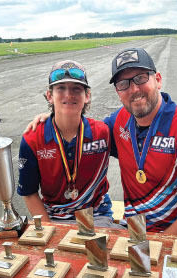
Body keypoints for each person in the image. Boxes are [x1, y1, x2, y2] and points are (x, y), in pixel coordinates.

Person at [25, 48, 177, 237]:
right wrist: (54, 116)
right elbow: (79, 130)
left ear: (158, 80)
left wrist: (159, 244)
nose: (134, 89)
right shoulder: (117, 123)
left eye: (140, 78)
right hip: (137, 230)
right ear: (118, 91)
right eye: (124, 84)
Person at [17, 60, 113, 226]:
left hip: (97, 216)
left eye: (76, 88)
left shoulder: (103, 132)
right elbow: (29, 192)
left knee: (97, 252)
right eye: (61, 88)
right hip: (54, 218)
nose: (69, 94)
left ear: (87, 96)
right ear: (50, 96)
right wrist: (49, 229)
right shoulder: (32, 139)